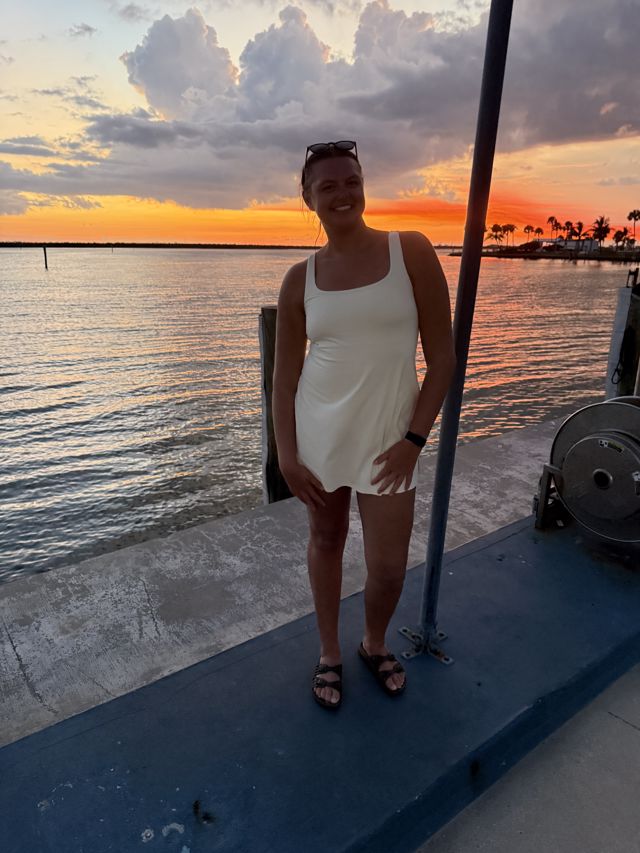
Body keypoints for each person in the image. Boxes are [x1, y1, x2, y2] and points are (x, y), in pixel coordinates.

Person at [272, 140, 456, 710]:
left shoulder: (411, 251)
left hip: (389, 441)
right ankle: (329, 652)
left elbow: (443, 359)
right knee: (326, 540)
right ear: (309, 199)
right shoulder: (299, 280)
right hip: (320, 436)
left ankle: (373, 642)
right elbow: (284, 379)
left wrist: (413, 441)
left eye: (351, 181)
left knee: (389, 566)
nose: (343, 193)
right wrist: (286, 455)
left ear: (363, 186)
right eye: (327, 186)